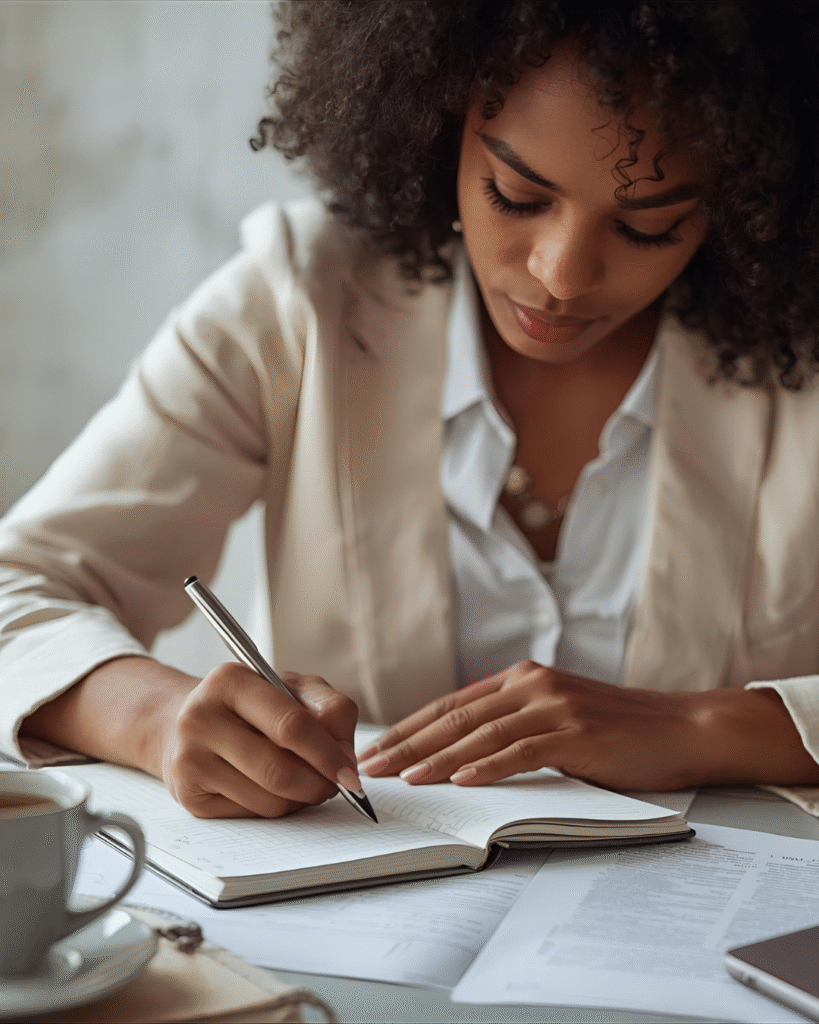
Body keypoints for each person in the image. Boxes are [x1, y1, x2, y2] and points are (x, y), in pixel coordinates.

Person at [3, 0, 819, 821]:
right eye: (514, 195)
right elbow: (17, 589)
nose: (561, 275)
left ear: (749, 195)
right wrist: (156, 716)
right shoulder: (302, 300)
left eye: (648, 226)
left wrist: (713, 726)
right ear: (436, 127)